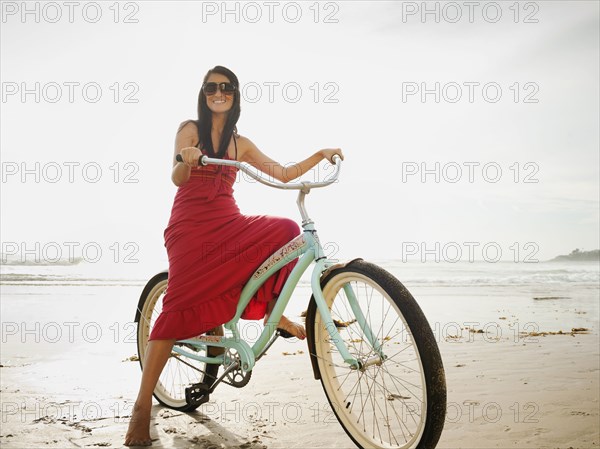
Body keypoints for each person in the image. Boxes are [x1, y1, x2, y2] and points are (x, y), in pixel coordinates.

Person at [124, 65, 343, 446]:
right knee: (175, 309)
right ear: (203, 93)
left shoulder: (241, 144)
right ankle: (141, 409)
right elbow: (175, 177)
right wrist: (186, 159)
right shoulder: (189, 128)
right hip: (191, 228)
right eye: (211, 87)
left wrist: (319, 154)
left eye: (225, 87)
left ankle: (272, 313)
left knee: (288, 231)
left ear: (235, 94)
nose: (218, 92)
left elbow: (285, 173)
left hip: (228, 221)